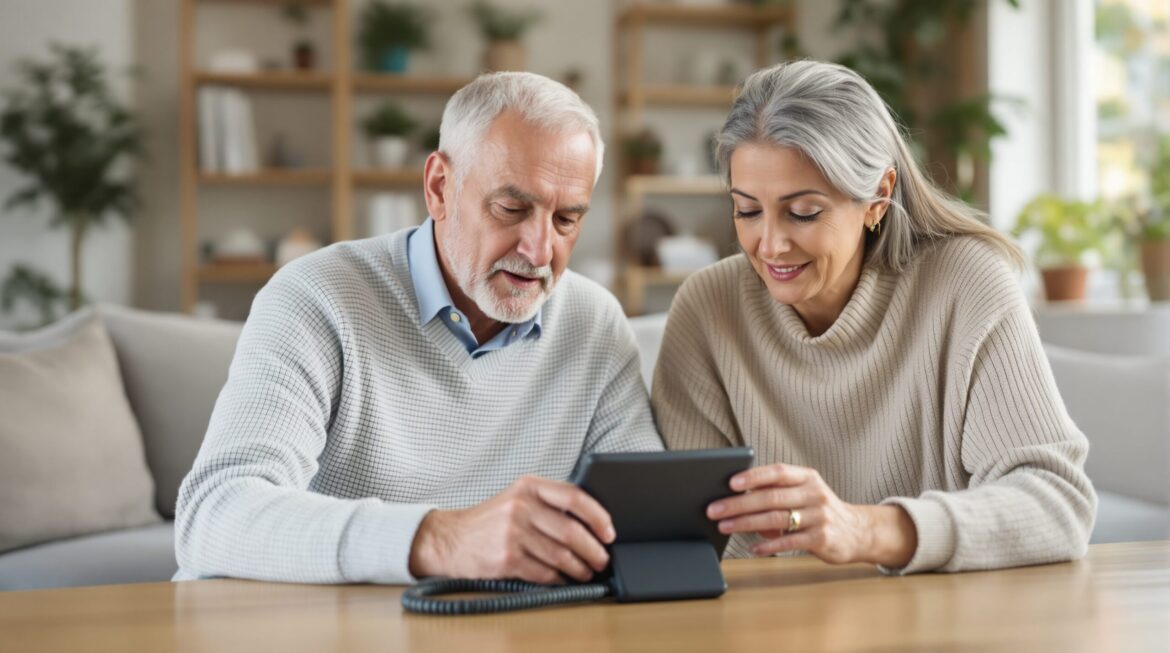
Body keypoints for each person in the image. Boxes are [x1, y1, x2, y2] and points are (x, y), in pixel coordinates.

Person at [175, 72, 662, 586]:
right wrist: (440, 539)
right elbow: (214, 513)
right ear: (439, 188)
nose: (540, 251)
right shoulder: (316, 298)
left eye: (566, 220)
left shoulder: (594, 323)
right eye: (511, 208)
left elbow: (647, 514)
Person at [651, 60, 1096, 574]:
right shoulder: (708, 310)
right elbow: (691, 540)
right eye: (747, 210)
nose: (769, 243)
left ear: (878, 198)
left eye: (803, 212)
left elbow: (1057, 504)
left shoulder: (964, 283)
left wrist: (866, 530)